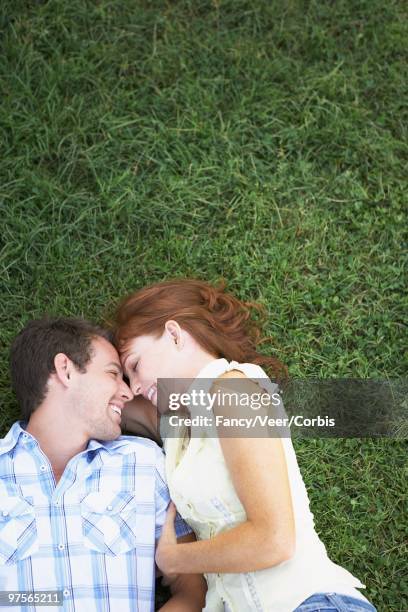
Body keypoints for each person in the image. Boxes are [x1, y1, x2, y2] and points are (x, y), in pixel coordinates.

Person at [112, 278, 377, 612]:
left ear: (175, 334)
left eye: (135, 366)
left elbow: (273, 540)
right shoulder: (179, 425)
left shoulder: (233, 392)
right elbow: (108, 405)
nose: (134, 386)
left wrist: (174, 557)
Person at [0, 317, 206, 612]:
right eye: (113, 374)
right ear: (65, 370)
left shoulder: (143, 463)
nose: (128, 392)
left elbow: (193, 589)